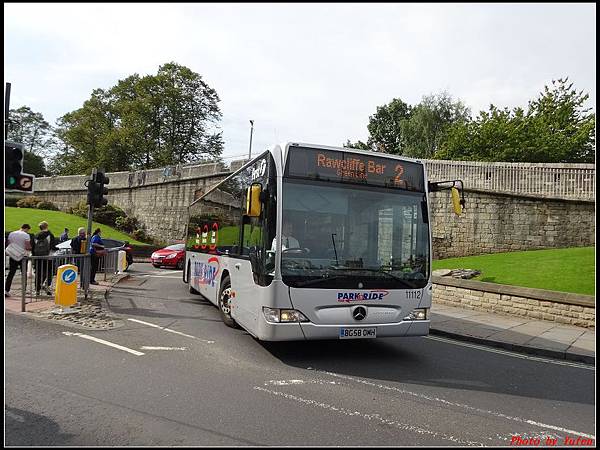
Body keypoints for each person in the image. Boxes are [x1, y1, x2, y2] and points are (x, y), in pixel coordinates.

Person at [5, 224, 32, 297]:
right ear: (26, 228)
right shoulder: (26, 235)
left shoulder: (11, 233)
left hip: (13, 255)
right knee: (24, 273)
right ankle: (24, 290)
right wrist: (30, 249)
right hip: (22, 256)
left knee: (11, 273)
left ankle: (6, 290)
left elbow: (9, 244)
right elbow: (27, 246)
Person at [32, 221, 58, 296]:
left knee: (38, 273)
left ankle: (37, 290)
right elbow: (52, 246)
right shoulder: (50, 235)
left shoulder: (36, 235)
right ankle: (46, 285)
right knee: (49, 272)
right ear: (47, 226)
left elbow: (33, 247)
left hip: (38, 257)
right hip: (48, 256)